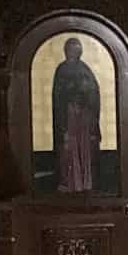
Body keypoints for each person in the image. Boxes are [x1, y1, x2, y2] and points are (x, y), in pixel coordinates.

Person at [51, 37, 101, 193]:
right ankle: (70, 183)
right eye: (71, 48)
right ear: (66, 51)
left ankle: (85, 182)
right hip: (69, 116)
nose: (74, 51)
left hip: (84, 116)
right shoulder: (62, 69)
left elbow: (94, 92)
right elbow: (59, 95)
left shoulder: (85, 69)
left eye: (77, 49)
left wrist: (85, 100)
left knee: (84, 148)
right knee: (69, 149)